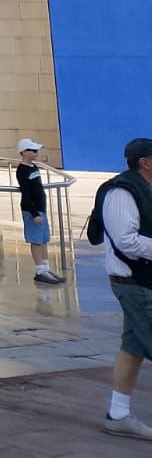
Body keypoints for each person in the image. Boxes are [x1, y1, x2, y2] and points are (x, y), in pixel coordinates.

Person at [90, 136, 152, 439]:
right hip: (134, 283)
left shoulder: (146, 189)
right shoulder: (121, 192)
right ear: (145, 162)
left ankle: (118, 415)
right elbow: (126, 241)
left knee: (133, 348)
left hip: (143, 282)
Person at [17, 138, 65, 285]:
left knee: (43, 239)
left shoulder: (34, 167)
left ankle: (45, 267)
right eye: (33, 150)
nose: (36, 152)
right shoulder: (22, 170)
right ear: (24, 152)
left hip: (41, 209)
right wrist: (34, 213)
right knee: (36, 240)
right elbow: (26, 193)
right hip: (32, 211)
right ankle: (40, 270)